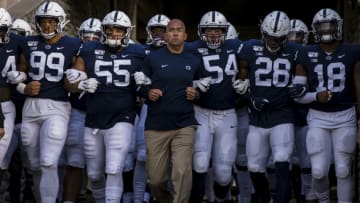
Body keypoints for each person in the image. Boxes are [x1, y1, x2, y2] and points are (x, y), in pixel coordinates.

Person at [66, 10, 146, 202]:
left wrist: (144, 84)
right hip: (93, 118)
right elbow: (69, 83)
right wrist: (81, 85)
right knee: (94, 174)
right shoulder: (89, 50)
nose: (114, 33)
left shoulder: (138, 53)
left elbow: (150, 85)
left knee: (113, 168)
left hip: (122, 117)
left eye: (119, 30)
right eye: (109, 29)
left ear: (127, 32)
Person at [7, 1, 82, 202]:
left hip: (57, 107)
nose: (47, 26)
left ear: (60, 22)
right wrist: (24, 86)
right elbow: (22, 72)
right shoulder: (28, 43)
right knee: (34, 164)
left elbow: (76, 81)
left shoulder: (73, 45)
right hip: (31, 107)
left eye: (51, 21)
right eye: (43, 21)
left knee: (49, 161)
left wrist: (75, 81)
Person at [292, 8, 360, 203]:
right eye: (321, 27)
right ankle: (323, 200)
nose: (326, 30)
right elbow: (297, 93)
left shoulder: (353, 51)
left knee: (342, 169)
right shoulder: (305, 53)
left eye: (330, 25)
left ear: (338, 27)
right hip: (318, 117)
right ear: (315, 30)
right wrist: (315, 96)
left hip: (345, 116)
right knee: (319, 171)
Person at [135, 18, 203, 203]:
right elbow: (138, 84)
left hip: (184, 125)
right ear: (165, 35)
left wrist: (196, 94)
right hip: (156, 126)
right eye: (171, 30)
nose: (174, 33)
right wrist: (148, 92)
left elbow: (204, 87)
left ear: (185, 35)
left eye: (179, 30)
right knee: (156, 180)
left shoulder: (194, 60)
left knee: (181, 172)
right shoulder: (152, 59)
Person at [236, 10, 299, 203]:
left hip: (282, 114)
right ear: (262, 32)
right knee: (254, 167)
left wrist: (300, 88)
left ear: (286, 36)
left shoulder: (296, 51)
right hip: (257, 117)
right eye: (269, 36)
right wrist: (250, 98)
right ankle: (265, 198)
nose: (272, 41)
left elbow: (305, 79)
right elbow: (239, 83)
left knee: (281, 159)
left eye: (278, 38)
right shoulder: (249, 48)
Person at [186, 11, 242, 203]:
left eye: (217, 30)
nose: (213, 34)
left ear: (226, 31)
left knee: (224, 172)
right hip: (201, 111)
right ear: (201, 31)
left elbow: (256, 61)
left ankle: (219, 199)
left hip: (227, 115)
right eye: (208, 30)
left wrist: (247, 82)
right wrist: (193, 84)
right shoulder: (191, 48)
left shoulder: (237, 46)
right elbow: (177, 71)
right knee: (200, 162)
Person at [61, 17, 102, 203]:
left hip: (104, 115)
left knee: (103, 164)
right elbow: (68, 85)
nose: (91, 39)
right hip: (79, 111)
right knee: (74, 161)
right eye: (87, 35)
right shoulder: (74, 54)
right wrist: (81, 84)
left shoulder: (112, 53)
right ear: (80, 35)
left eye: (95, 36)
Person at [132, 13, 170, 203]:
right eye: (154, 30)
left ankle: (160, 196)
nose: (158, 34)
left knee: (170, 158)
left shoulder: (181, 51)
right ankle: (139, 198)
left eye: (162, 30)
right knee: (141, 156)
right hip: (147, 107)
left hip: (173, 109)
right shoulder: (141, 51)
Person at [287, 18, 317, 203]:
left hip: (305, 114)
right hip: (284, 115)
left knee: (307, 160)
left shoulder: (310, 56)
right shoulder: (277, 55)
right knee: (282, 159)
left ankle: (307, 194)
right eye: (290, 34)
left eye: (298, 35)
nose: (294, 39)